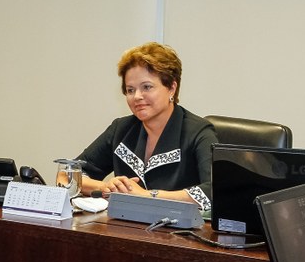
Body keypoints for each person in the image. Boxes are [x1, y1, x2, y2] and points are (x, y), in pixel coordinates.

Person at [74, 42, 217, 211]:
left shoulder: (198, 132)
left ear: (171, 88)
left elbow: (214, 192)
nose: (137, 97)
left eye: (147, 87)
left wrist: (147, 196)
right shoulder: (121, 129)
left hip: (178, 233)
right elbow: (68, 176)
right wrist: (109, 188)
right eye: (130, 90)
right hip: (126, 228)